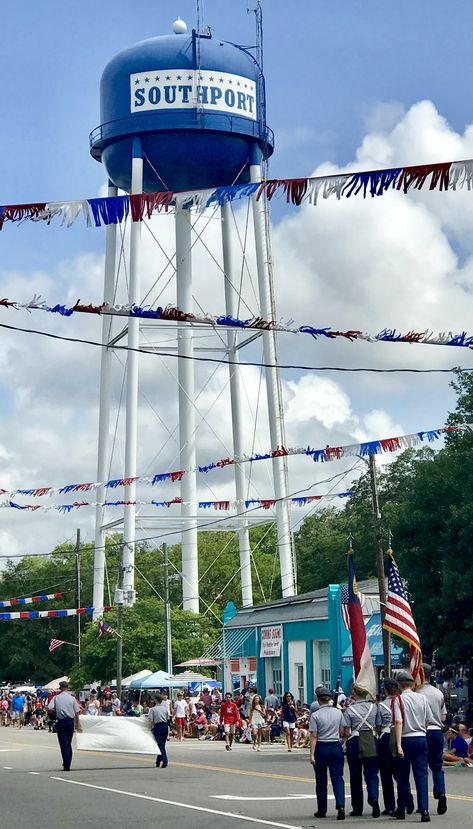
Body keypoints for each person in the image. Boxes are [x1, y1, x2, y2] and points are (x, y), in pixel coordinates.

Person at [393, 670, 433, 823]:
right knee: (421, 775)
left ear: (399, 685)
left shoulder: (399, 700)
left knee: (403, 776)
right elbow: (427, 720)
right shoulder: (422, 698)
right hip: (421, 737)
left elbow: (398, 722)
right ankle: (424, 809)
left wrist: (398, 745)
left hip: (405, 738)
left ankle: (401, 808)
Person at [344, 683, 381, 818]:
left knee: (355, 776)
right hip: (370, 738)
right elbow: (378, 725)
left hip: (355, 739)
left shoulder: (349, 710)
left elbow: (347, 730)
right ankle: (373, 797)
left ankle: (357, 807)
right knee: (372, 772)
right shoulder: (374, 707)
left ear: (354, 693)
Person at [309, 685, 346, 820]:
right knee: (337, 778)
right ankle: (341, 805)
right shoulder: (338, 713)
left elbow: (314, 735)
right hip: (335, 745)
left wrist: (312, 754)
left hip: (321, 747)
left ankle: (322, 809)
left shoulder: (315, 715)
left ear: (318, 700)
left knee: (321, 780)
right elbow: (343, 732)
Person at [416, 663, 447, 815]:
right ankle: (441, 791)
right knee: (437, 765)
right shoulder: (438, 693)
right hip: (436, 731)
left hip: (422, 731)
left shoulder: (416, 693)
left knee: (421, 768)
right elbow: (443, 716)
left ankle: (423, 802)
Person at [378, 678, 401, 816]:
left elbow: (378, 725)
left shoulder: (381, 706)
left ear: (385, 690)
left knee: (386, 773)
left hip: (386, 736)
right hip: (399, 736)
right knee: (400, 772)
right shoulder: (402, 701)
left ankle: (390, 805)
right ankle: (406, 800)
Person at [47, 680, 81, 772]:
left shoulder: (56, 698)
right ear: (67, 687)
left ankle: (66, 764)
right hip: (70, 722)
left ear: (60, 687)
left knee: (63, 744)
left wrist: (56, 711)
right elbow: (77, 712)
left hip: (61, 721)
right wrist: (78, 724)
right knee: (68, 743)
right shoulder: (72, 698)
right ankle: (68, 762)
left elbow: (49, 708)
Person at [148, 694, 170, 768]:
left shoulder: (153, 709)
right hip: (165, 726)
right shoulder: (164, 709)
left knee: (160, 745)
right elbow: (167, 719)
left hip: (158, 726)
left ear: (156, 700)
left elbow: (151, 720)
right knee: (162, 745)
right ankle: (158, 761)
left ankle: (165, 761)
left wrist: (150, 728)